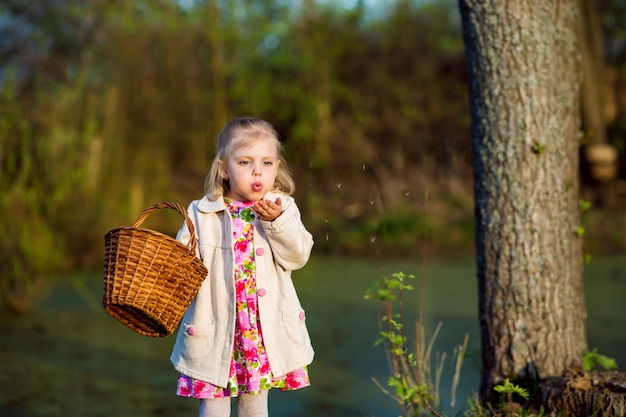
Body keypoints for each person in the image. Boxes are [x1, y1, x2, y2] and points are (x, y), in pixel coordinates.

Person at [170, 117, 315, 417]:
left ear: (277, 167)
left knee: (255, 409)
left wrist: (275, 223)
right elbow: (181, 264)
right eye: (245, 162)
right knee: (213, 409)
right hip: (217, 328)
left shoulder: (281, 209)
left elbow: (297, 256)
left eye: (267, 162)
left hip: (259, 332)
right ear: (224, 168)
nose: (257, 171)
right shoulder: (202, 212)